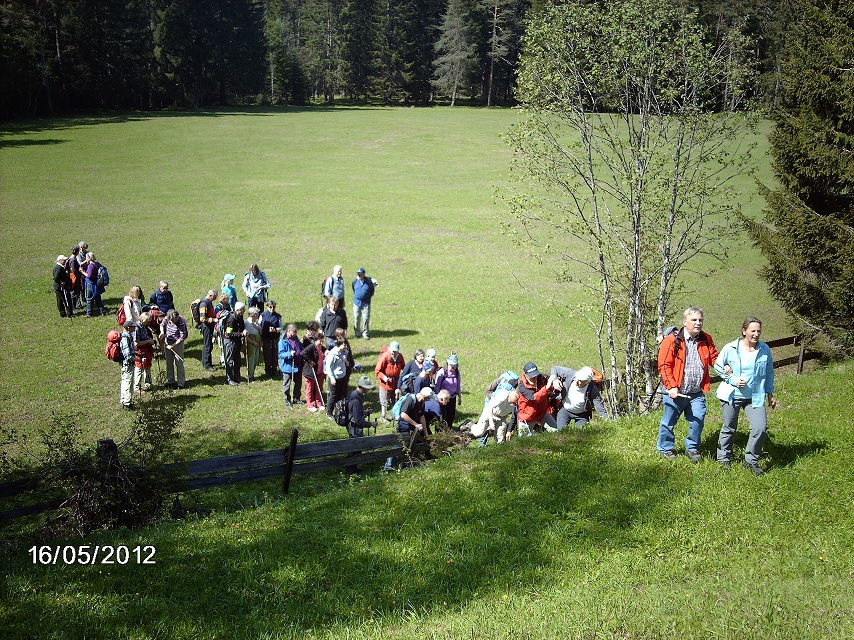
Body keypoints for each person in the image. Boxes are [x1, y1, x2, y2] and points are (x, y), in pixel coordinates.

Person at [714, 317, 777, 475]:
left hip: (754, 396)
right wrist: (733, 380)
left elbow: (769, 372)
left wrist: (770, 394)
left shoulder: (764, 349)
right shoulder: (731, 348)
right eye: (752, 331)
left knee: (760, 427)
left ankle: (751, 461)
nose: (756, 334)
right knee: (729, 427)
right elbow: (718, 366)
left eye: (758, 331)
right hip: (731, 395)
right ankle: (723, 458)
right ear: (744, 331)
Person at [656, 307, 719, 462]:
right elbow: (664, 365)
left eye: (700, 320)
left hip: (696, 392)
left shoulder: (706, 339)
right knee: (668, 422)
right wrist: (671, 386)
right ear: (685, 322)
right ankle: (665, 449)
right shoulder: (672, 340)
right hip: (676, 391)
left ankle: (692, 447)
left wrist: (725, 367)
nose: (698, 323)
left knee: (698, 418)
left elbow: (714, 358)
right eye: (694, 320)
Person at [383, 387, 435, 472]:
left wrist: (426, 432)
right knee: (398, 446)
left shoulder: (421, 403)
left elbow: (422, 417)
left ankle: (406, 463)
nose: (428, 400)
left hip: (412, 429)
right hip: (403, 427)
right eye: (428, 398)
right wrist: (416, 424)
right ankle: (388, 467)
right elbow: (403, 415)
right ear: (424, 396)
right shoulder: (410, 400)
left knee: (410, 446)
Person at [548, 366, 609, 430]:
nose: (578, 382)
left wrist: (607, 419)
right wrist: (555, 379)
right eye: (578, 379)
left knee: (580, 433)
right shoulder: (570, 374)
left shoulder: (592, 387)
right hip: (565, 409)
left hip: (582, 415)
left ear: (588, 382)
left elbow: (598, 404)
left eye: (582, 381)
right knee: (561, 431)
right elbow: (555, 368)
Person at [345, 376, 380, 474]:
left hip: (352, 424)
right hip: (354, 427)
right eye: (367, 387)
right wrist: (371, 424)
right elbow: (358, 421)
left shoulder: (355, 394)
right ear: (362, 387)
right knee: (355, 448)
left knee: (357, 447)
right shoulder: (356, 399)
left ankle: (353, 468)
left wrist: (365, 412)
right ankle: (350, 470)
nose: (369, 389)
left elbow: (356, 412)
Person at [517, 362, 559, 434]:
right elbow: (534, 398)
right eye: (532, 376)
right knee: (524, 440)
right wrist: (546, 388)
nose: (534, 377)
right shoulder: (522, 386)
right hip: (528, 416)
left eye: (535, 375)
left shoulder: (542, 378)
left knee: (556, 430)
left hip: (542, 412)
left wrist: (555, 381)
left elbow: (551, 380)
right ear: (525, 374)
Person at [375, 341, 405, 421]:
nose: (393, 353)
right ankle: (383, 416)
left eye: (395, 351)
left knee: (395, 400)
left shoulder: (400, 357)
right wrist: (384, 377)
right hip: (385, 383)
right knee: (384, 400)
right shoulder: (385, 357)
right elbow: (378, 370)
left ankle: (395, 415)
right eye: (392, 351)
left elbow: (404, 368)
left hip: (395, 382)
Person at [160, 308, 188, 389]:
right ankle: (171, 381)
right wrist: (162, 333)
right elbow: (162, 325)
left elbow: (182, 337)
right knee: (169, 363)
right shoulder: (167, 319)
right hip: (167, 343)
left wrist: (172, 346)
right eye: (172, 319)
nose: (174, 320)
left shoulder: (181, 322)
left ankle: (181, 383)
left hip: (177, 344)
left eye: (175, 318)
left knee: (179, 363)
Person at [324, 336, 351, 419]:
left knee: (342, 394)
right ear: (339, 345)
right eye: (344, 345)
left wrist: (346, 362)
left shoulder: (344, 352)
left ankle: (339, 409)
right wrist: (332, 378)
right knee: (333, 395)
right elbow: (328, 367)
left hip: (342, 376)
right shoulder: (333, 353)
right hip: (334, 378)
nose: (346, 347)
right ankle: (329, 413)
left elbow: (344, 359)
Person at [434, 353, 463, 427]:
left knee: (451, 416)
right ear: (448, 364)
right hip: (443, 399)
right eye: (452, 366)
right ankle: (440, 430)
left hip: (452, 398)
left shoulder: (456, 372)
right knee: (441, 415)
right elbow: (437, 386)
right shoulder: (442, 372)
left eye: (455, 366)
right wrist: (438, 398)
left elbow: (458, 385)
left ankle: (449, 429)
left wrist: (459, 397)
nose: (453, 368)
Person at [223, 301, 247, 386]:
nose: (244, 311)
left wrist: (243, 330)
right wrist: (241, 334)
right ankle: (229, 379)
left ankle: (237, 378)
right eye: (243, 310)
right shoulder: (231, 319)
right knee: (229, 361)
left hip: (237, 341)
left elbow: (241, 326)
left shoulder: (240, 317)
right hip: (230, 342)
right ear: (238, 310)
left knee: (237, 360)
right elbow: (229, 333)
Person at [278, 323, 303, 406]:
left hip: (298, 365)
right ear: (289, 331)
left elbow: (299, 347)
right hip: (288, 366)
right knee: (287, 384)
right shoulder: (282, 341)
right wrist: (289, 353)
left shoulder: (296, 338)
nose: (296, 333)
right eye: (294, 332)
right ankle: (287, 400)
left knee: (298, 383)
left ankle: (296, 398)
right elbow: (281, 354)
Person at [302, 331, 326, 412]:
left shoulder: (322, 348)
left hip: (320, 372)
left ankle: (319, 403)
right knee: (310, 388)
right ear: (316, 340)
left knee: (319, 387)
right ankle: (310, 404)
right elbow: (303, 353)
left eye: (322, 341)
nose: (321, 343)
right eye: (320, 341)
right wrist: (309, 361)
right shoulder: (311, 347)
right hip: (310, 373)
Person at [133, 312, 157, 395]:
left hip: (146, 349)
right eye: (147, 321)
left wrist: (151, 340)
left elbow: (145, 336)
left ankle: (148, 384)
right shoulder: (136, 328)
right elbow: (136, 343)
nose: (148, 323)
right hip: (139, 351)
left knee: (148, 366)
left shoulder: (143, 326)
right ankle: (137, 387)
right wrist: (148, 341)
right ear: (142, 320)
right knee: (139, 369)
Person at [260, 301, 283, 378]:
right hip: (266, 338)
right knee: (267, 354)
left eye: (273, 307)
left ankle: (274, 369)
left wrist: (275, 330)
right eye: (270, 307)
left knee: (275, 353)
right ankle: (267, 370)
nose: (272, 309)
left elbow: (281, 327)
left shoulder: (278, 316)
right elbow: (259, 325)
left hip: (275, 338)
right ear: (267, 307)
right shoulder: (263, 315)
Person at [352, 267, 376, 339]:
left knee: (366, 319)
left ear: (364, 274)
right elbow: (353, 289)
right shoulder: (355, 281)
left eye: (360, 274)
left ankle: (365, 333)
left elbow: (372, 290)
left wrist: (367, 297)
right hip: (357, 303)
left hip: (366, 303)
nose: (359, 276)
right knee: (356, 318)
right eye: (358, 274)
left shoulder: (368, 281)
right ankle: (357, 333)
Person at [82, 252, 107, 317]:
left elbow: (89, 276)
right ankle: (102, 311)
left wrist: (82, 272)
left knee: (89, 299)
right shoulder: (97, 264)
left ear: (89, 258)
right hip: (96, 284)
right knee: (98, 299)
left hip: (90, 284)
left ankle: (89, 313)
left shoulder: (90, 266)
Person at [198, 290, 218, 371]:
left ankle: (205, 362)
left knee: (207, 344)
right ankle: (207, 364)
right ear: (210, 296)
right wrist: (213, 320)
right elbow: (202, 318)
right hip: (206, 327)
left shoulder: (208, 302)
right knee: (208, 345)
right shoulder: (204, 303)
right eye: (214, 297)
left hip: (209, 326)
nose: (215, 299)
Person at [119, 321, 136, 410]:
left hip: (126, 364)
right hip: (127, 364)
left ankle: (124, 400)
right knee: (128, 383)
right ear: (128, 328)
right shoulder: (125, 338)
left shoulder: (127, 336)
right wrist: (137, 360)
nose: (134, 328)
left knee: (125, 381)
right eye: (133, 327)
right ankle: (127, 403)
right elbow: (128, 355)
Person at [245, 307, 262, 382]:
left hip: (257, 341)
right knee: (251, 360)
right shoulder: (247, 323)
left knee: (256, 359)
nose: (258, 314)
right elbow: (246, 337)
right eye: (256, 313)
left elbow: (261, 332)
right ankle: (250, 376)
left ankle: (253, 374)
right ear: (253, 314)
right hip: (251, 342)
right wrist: (253, 342)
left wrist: (258, 328)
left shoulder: (257, 321)